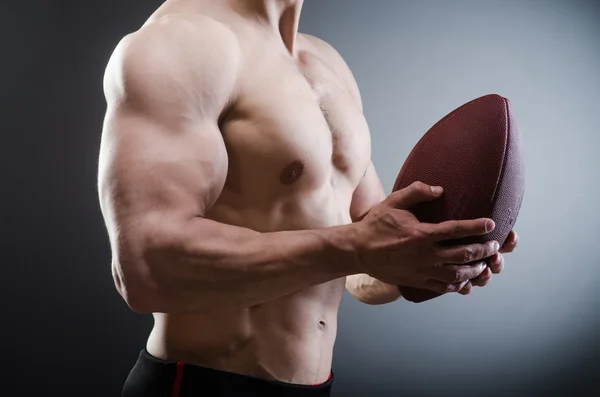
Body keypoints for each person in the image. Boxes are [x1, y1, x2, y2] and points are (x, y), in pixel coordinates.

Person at [98, 0, 519, 396]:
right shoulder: (180, 44)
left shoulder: (324, 62)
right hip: (200, 385)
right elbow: (145, 268)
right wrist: (359, 247)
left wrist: (431, 257)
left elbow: (366, 269)